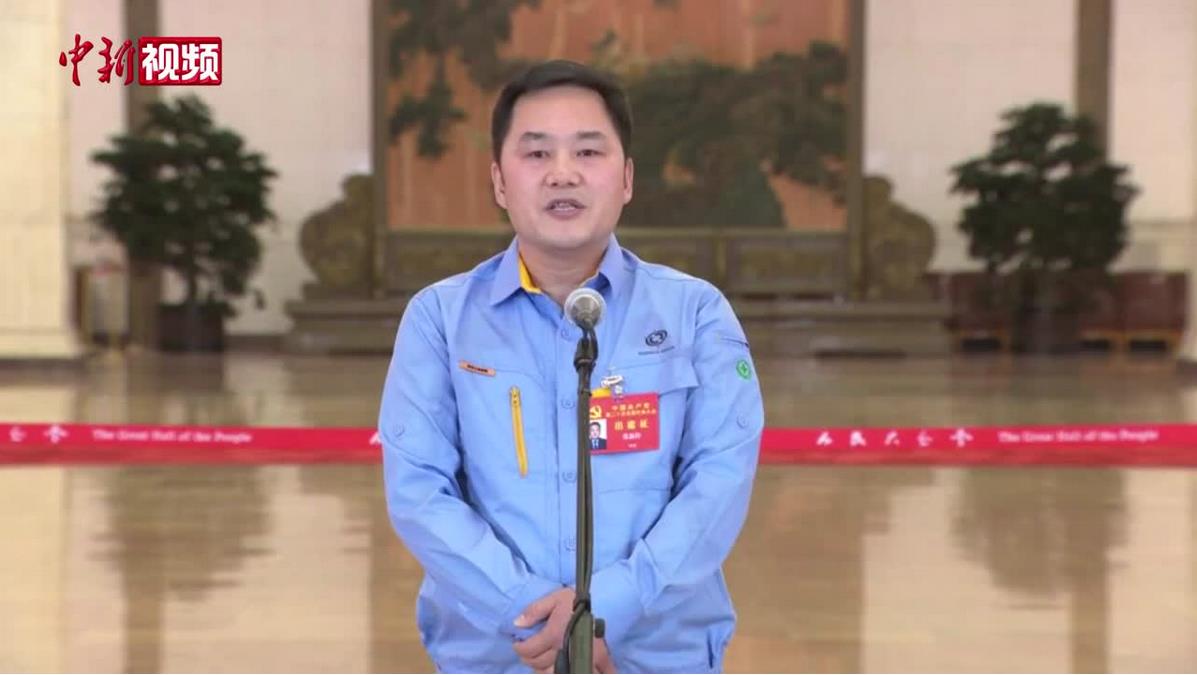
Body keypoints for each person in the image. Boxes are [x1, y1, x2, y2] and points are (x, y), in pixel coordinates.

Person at [378, 59, 764, 673]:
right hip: (501, 656)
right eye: (536, 154)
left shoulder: (696, 313)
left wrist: (610, 606)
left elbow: (719, 481)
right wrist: (530, 610)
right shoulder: (440, 320)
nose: (563, 173)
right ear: (500, 181)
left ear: (627, 178)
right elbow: (419, 492)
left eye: (588, 151)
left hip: (656, 657)